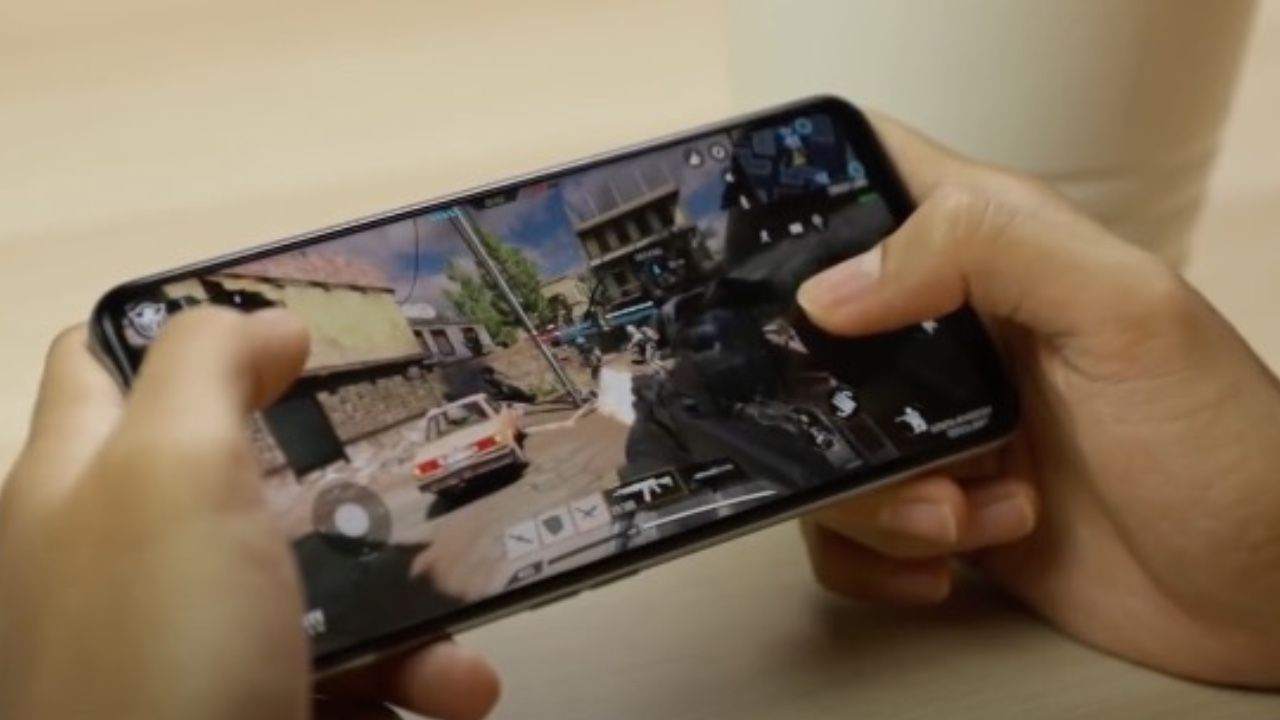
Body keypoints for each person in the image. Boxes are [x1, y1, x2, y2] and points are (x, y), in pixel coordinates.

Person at [2, 110, 1278, 720]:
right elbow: (630, 468)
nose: (711, 332)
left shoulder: (726, 387)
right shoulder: (656, 398)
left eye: (730, 312)